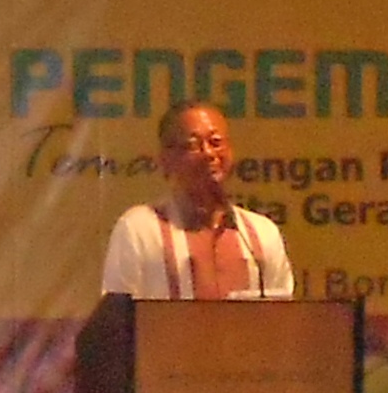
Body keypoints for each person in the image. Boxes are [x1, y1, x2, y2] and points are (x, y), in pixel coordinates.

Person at [98, 102, 292, 301]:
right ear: (166, 159)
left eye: (216, 142)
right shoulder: (139, 229)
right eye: (192, 145)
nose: (208, 153)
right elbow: (118, 315)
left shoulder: (262, 233)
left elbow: (282, 313)